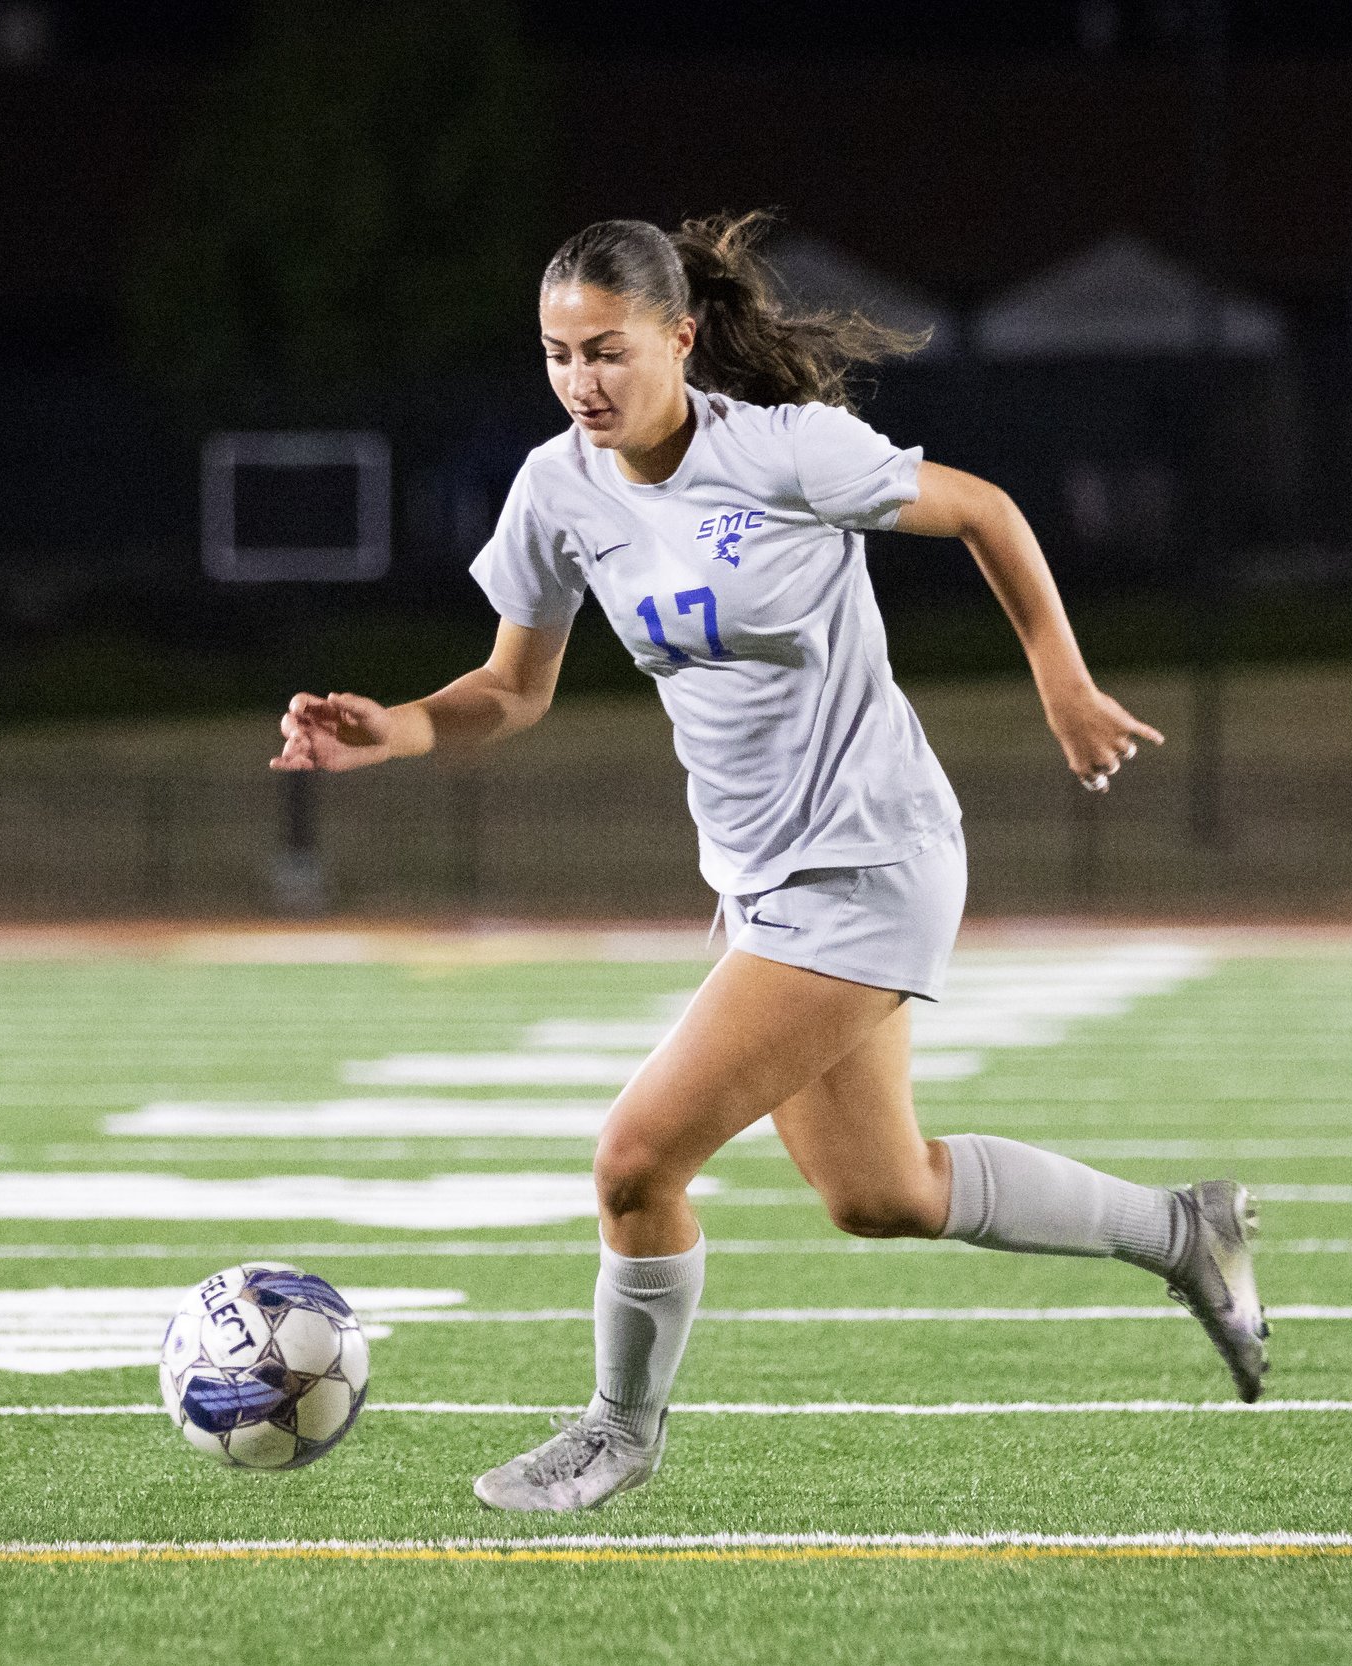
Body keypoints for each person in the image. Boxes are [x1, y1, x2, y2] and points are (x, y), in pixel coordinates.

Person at [272, 211, 1268, 1514]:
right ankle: (1188, 1230)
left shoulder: (789, 453)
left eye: (610, 351)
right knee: (882, 1191)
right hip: (764, 880)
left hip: (871, 860)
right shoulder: (557, 488)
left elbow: (985, 509)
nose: (584, 382)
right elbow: (512, 690)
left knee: (635, 1159)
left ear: (680, 338)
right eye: (559, 354)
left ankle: (618, 1430)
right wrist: (391, 728)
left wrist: (1064, 683)